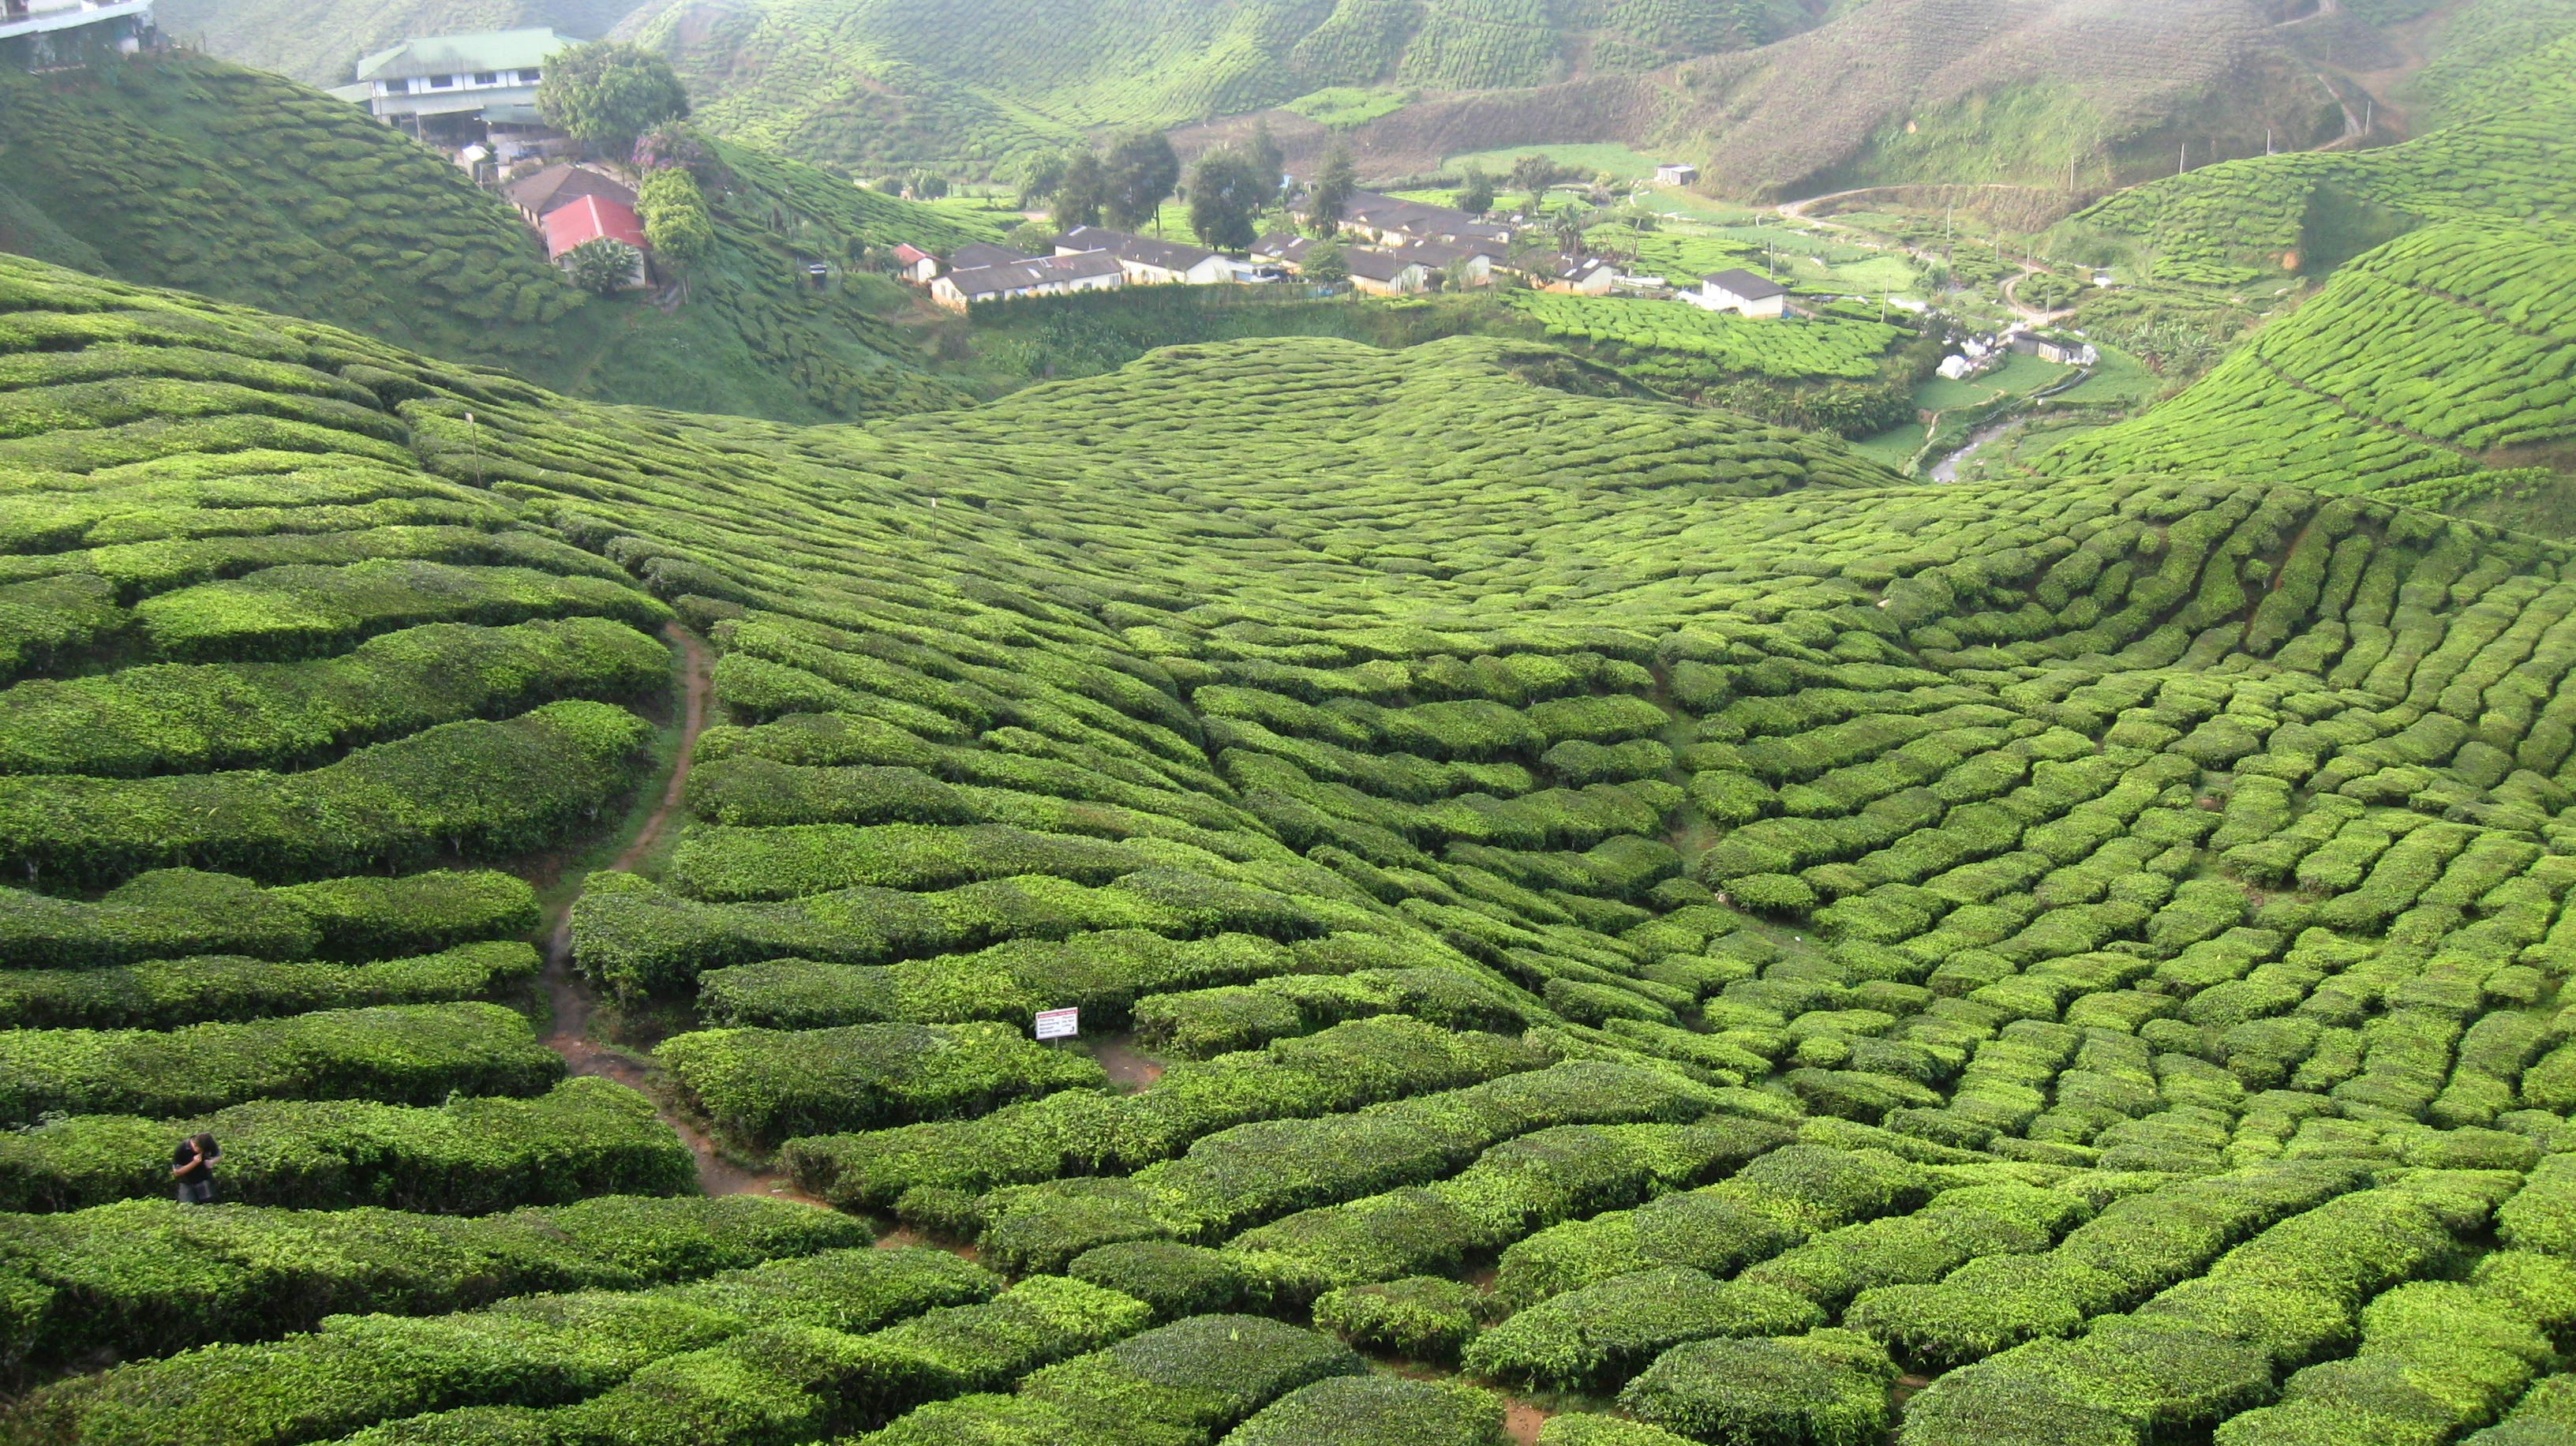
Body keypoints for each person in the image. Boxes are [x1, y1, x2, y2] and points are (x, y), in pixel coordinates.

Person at [172, 1133, 219, 1204]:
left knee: (208, 1205)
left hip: (204, 1180)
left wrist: (212, 1162)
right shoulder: (181, 1149)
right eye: (200, 1150)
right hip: (186, 1182)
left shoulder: (208, 1143)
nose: (202, 1153)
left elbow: (218, 1155)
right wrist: (194, 1163)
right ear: (194, 1145)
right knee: (187, 1206)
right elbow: (177, 1172)